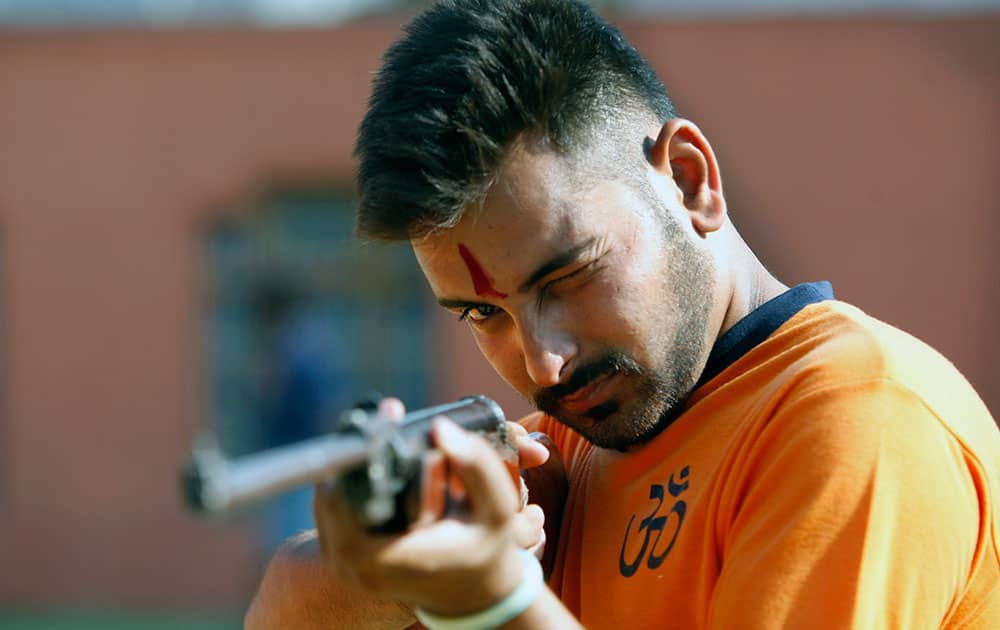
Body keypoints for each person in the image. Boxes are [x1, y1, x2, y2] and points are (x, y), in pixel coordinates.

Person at [245, 0, 1000, 628]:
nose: (540, 361)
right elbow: (284, 610)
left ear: (688, 179)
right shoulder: (576, 449)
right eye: (482, 313)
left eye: (569, 277)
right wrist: (392, 571)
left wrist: (494, 600)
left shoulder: (858, 417)